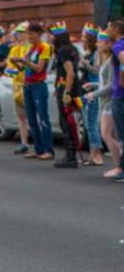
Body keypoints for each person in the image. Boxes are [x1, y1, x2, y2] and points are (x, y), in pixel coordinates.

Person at [11, 22, 54, 160]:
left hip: (38, 86)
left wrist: (25, 62)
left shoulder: (44, 47)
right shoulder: (31, 49)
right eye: (27, 33)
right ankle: (38, 148)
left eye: (31, 33)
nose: (28, 36)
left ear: (38, 34)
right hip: (28, 85)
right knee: (31, 119)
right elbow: (24, 68)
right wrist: (17, 62)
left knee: (42, 118)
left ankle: (48, 149)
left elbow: (39, 68)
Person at [85, 29, 123, 177]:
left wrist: (94, 94)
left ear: (108, 44)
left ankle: (119, 166)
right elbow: (106, 83)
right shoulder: (106, 61)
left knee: (107, 134)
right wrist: (93, 86)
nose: (97, 44)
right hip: (109, 100)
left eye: (100, 42)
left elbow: (111, 85)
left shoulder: (111, 60)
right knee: (111, 134)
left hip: (109, 101)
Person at [50, 22, 83, 168]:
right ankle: (71, 155)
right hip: (72, 88)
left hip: (67, 89)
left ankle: (71, 157)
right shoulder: (72, 49)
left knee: (66, 121)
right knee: (69, 121)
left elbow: (70, 72)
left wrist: (66, 92)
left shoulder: (63, 51)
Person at [6, 22, 33, 154]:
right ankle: (24, 142)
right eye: (19, 32)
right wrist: (12, 70)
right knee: (21, 116)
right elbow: (9, 65)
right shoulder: (14, 49)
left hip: (28, 84)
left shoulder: (31, 48)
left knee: (32, 115)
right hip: (17, 85)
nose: (20, 35)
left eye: (22, 32)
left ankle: (36, 142)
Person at [79, 23, 103, 166]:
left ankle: (98, 154)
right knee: (88, 124)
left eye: (84, 37)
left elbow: (97, 71)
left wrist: (85, 64)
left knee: (92, 123)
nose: (82, 39)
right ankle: (92, 154)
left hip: (93, 90)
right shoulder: (88, 52)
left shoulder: (97, 53)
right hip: (85, 89)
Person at [105, 18, 124, 181]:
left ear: (116, 30)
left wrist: (123, 79)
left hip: (120, 94)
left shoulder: (118, 45)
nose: (107, 30)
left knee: (121, 133)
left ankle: (122, 169)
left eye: (109, 27)